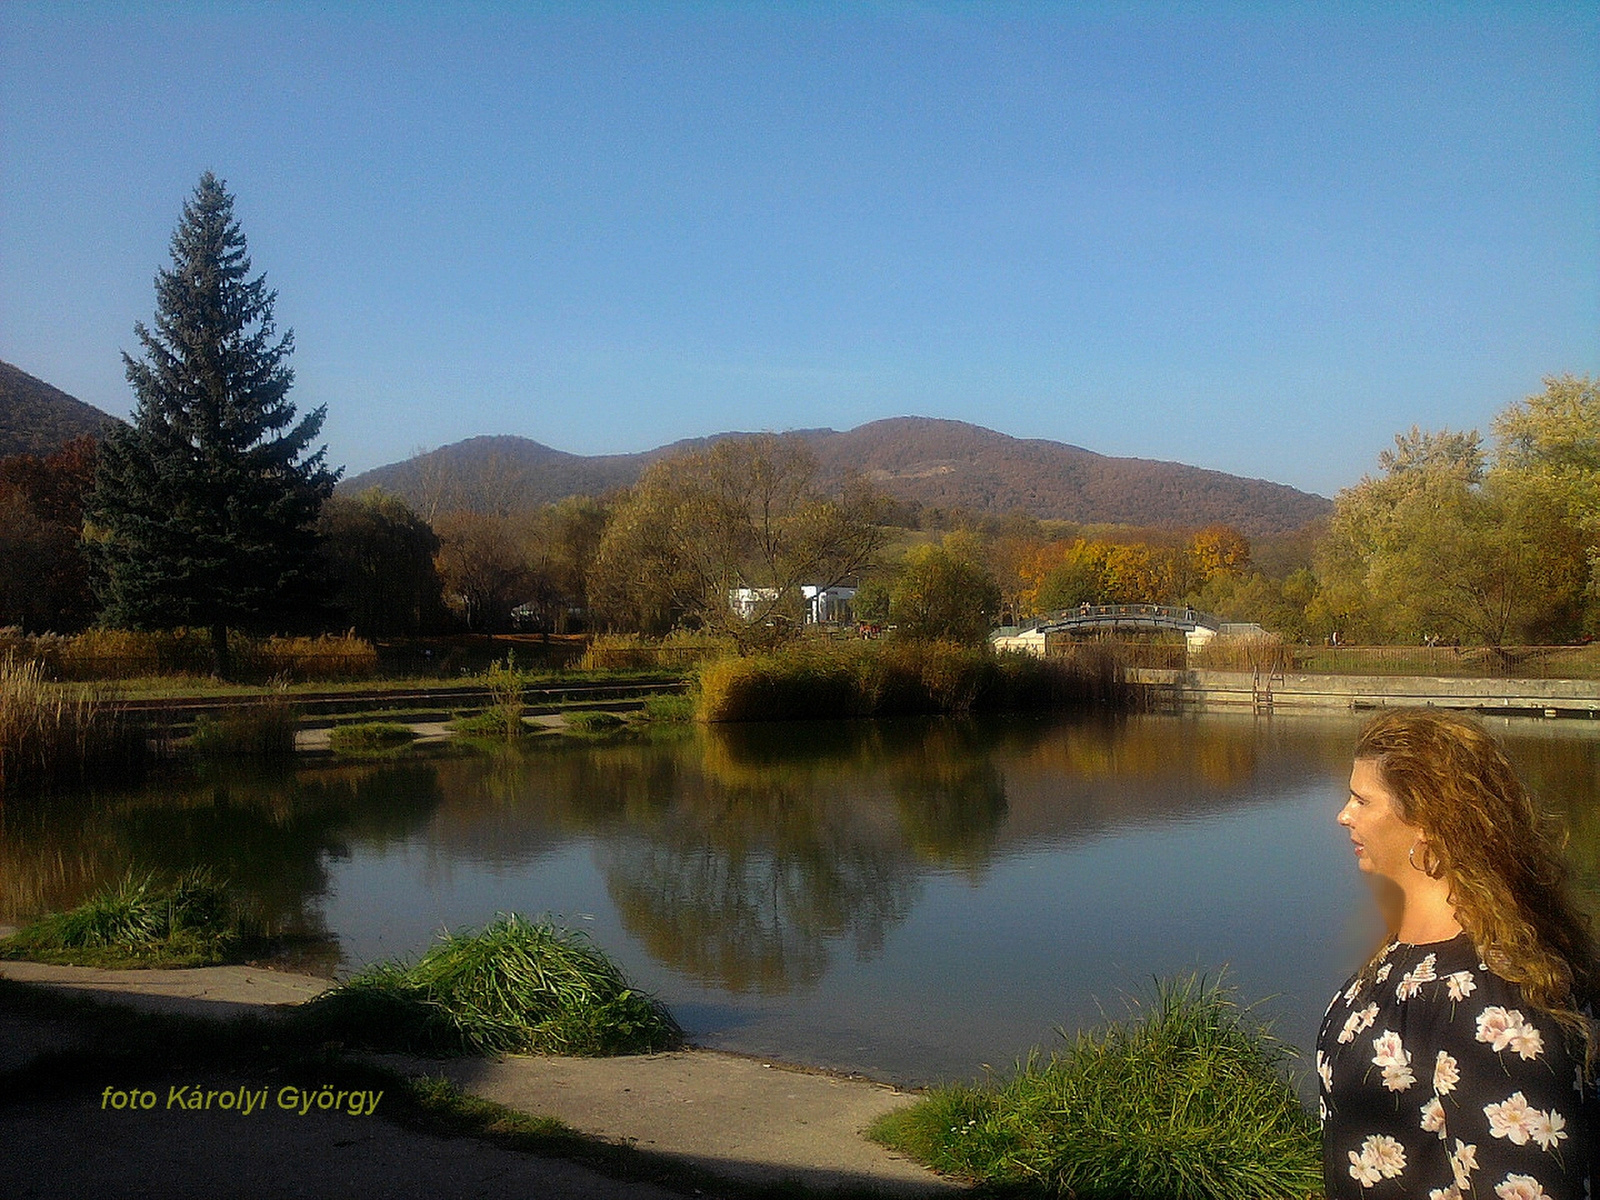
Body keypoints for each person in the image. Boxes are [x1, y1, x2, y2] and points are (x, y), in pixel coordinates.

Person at [1318, 709, 1596, 1200]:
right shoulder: (1404, 947)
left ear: (1426, 818)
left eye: (1362, 800)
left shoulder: (1496, 1012)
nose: (1343, 815)